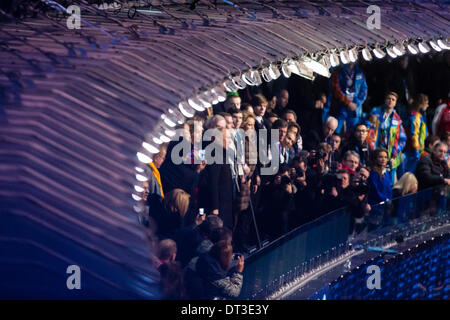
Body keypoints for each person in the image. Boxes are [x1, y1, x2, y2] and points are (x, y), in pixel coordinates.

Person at [368, 92, 407, 183]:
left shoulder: (397, 119)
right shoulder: (376, 113)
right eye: (389, 98)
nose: (390, 101)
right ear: (385, 100)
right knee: (375, 179)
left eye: (393, 100)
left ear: (395, 103)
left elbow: (402, 139)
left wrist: (395, 153)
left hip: (391, 155)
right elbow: (368, 130)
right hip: (376, 152)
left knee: (389, 182)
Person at [328, 63, 368, 134]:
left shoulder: (359, 71)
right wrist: (347, 103)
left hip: (355, 109)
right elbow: (335, 89)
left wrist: (357, 103)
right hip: (340, 108)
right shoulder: (337, 71)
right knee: (335, 132)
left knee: (354, 133)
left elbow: (364, 89)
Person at [403, 94, 429, 173]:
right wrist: (416, 150)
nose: (428, 105)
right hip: (412, 150)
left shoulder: (418, 115)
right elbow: (414, 134)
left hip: (415, 149)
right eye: (427, 103)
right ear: (422, 104)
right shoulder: (415, 116)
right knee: (409, 172)